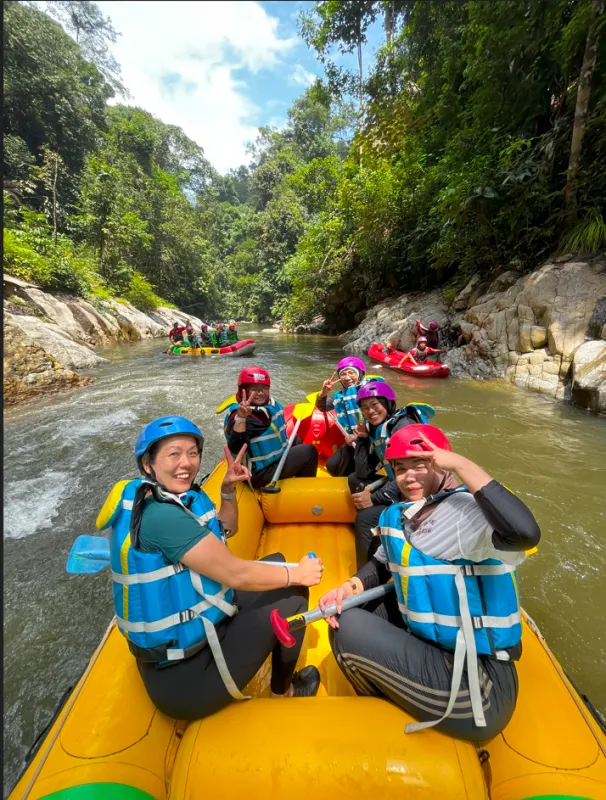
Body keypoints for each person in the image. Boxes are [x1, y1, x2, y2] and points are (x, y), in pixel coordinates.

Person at [319, 423, 540, 741]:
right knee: (353, 605)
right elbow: (382, 567)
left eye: (420, 465)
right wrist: (348, 587)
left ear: (441, 463)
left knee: (348, 625)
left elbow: (524, 533)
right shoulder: (403, 514)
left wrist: (461, 465)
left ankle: (382, 718)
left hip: (477, 684)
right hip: (440, 649)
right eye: (400, 468)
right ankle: (392, 697)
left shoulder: (468, 515)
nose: (408, 477)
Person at [97, 415, 323, 721]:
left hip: (199, 634)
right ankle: (283, 692)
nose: (187, 463)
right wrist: (298, 574)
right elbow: (235, 574)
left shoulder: (176, 497)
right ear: (149, 464)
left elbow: (226, 528)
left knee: (278, 561)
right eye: (173, 454)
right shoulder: (161, 517)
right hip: (187, 678)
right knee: (294, 592)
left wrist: (228, 489)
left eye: (192, 453)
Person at [349, 381, 429, 568]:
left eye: (375, 405)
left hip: (419, 491)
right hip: (400, 485)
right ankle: (376, 537)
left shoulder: (403, 426)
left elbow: (413, 475)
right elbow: (363, 471)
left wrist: (374, 498)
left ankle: (369, 574)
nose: (370, 412)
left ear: (388, 403)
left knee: (365, 518)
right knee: (355, 479)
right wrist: (362, 439)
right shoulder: (379, 429)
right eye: (365, 408)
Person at [224, 367, 318, 490]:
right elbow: (235, 448)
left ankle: (293, 481)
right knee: (309, 452)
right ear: (243, 390)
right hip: (257, 473)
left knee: (297, 440)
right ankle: (305, 491)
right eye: (254, 389)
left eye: (264, 388)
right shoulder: (246, 417)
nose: (261, 393)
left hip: (269, 462)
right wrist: (241, 418)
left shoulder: (268, 406)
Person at [314, 357, 367, 478]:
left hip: (369, 440)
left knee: (346, 472)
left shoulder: (369, 390)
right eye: (343, 374)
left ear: (360, 374)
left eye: (351, 372)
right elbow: (322, 407)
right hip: (351, 440)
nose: (347, 377)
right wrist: (323, 393)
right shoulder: (339, 395)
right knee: (332, 466)